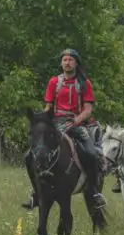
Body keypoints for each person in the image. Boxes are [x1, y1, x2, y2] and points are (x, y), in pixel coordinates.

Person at [22, 48, 106, 210]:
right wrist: (41, 121)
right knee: (29, 155)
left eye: (71, 60)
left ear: (76, 63)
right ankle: (36, 192)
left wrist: (76, 120)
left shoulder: (84, 83)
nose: (67, 63)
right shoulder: (54, 82)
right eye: (65, 60)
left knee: (91, 153)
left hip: (77, 123)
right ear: (61, 63)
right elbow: (49, 107)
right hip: (56, 124)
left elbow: (88, 109)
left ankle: (95, 192)